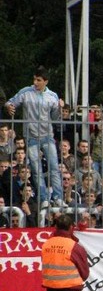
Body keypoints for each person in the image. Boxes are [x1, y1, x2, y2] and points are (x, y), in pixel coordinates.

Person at [5, 66, 66, 209]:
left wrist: (60, 108)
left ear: (46, 81)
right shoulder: (26, 92)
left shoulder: (53, 95)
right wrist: (9, 107)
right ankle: (44, 197)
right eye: (34, 79)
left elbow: (56, 118)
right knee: (36, 169)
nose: (36, 82)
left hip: (47, 135)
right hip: (31, 136)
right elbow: (11, 101)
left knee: (54, 168)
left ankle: (57, 197)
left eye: (39, 80)